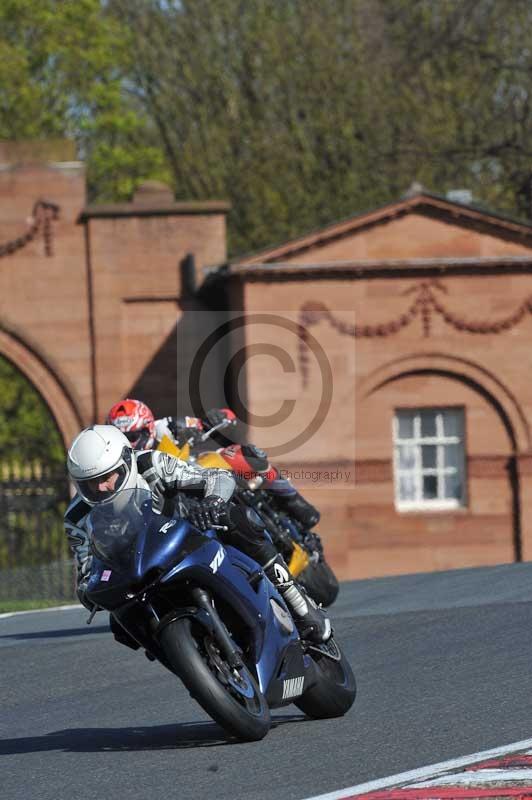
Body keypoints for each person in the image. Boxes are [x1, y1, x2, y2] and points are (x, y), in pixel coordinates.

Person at [64, 424, 331, 644]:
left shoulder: (151, 463)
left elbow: (216, 477)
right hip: (141, 572)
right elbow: (86, 571)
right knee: (121, 623)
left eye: (107, 477)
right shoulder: (76, 518)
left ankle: (297, 602)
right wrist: (91, 592)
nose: (101, 488)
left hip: (191, 535)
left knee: (240, 519)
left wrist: (213, 502)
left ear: (126, 462)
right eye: (90, 484)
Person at [105, 399, 321, 531]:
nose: (130, 444)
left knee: (248, 455)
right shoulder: (115, 463)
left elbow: (210, 422)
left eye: (133, 436)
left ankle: (293, 500)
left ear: (148, 428)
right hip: (172, 504)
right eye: (123, 437)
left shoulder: (168, 427)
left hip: (195, 472)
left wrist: (216, 418)